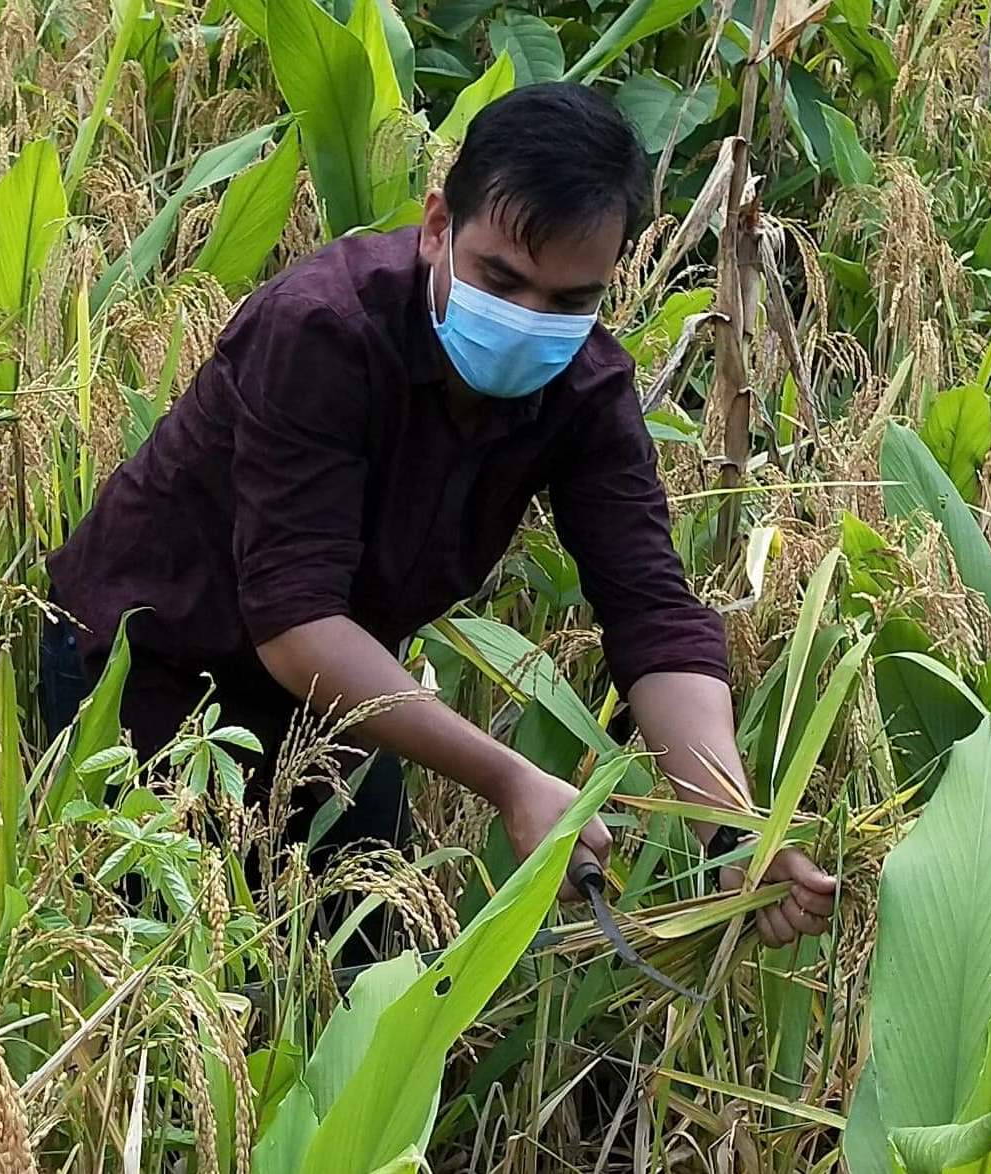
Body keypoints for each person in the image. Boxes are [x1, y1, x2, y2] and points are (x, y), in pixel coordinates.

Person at [40, 83, 837, 953]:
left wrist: (732, 831)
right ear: (434, 228)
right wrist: (508, 779)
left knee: (359, 967)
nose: (529, 320)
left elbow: (652, 615)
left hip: (337, 703)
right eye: (501, 278)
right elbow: (294, 619)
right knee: (169, 973)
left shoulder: (585, 390)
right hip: (146, 675)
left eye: (571, 300)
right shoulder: (323, 332)